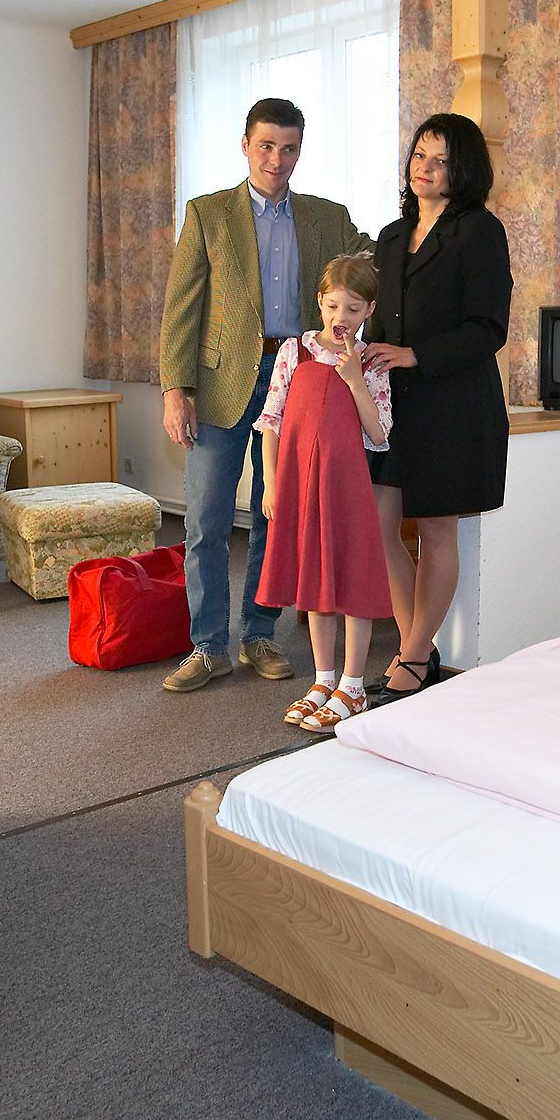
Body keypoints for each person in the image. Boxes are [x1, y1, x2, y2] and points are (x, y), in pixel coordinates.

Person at [157, 97, 371, 694]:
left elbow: (373, 267)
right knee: (206, 519)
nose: (278, 159)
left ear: (301, 150)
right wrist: (177, 389)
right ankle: (208, 646)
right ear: (246, 146)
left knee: (276, 516)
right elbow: (182, 310)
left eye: (290, 148)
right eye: (267, 146)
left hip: (297, 379)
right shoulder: (208, 215)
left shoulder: (328, 219)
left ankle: (259, 633)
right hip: (223, 383)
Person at [363, 113, 513, 697]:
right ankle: (415, 649)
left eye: (441, 160)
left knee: (435, 530)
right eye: (420, 155)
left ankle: (412, 658)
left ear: (464, 170)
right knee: (380, 525)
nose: (425, 168)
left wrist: (414, 354)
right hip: (393, 406)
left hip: (452, 403)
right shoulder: (392, 234)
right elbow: (377, 316)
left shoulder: (479, 230)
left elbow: (487, 327)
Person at [255, 256, 395, 733]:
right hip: (300, 484)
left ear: (368, 310)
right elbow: (271, 422)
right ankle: (323, 679)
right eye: (334, 306)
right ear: (320, 302)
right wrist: (273, 483)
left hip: (346, 486)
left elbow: (378, 434)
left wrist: (355, 379)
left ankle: (353, 686)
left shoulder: (370, 362)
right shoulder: (294, 353)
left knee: (351, 579)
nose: (342, 318)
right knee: (315, 585)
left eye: (354, 309)